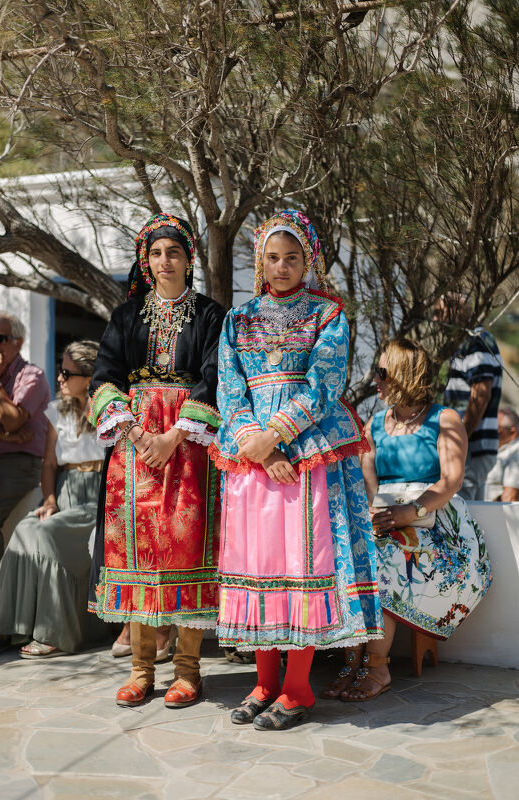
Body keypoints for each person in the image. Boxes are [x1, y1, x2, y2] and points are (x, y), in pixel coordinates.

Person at [210, 209, 383, 731]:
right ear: (260, 260)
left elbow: (324, 383)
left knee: (300, 568)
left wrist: (276, 435)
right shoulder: (237, 321)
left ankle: (298, 687)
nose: (281, 267)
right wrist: (253, 442)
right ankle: (264, 682)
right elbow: (228, 387)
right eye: (272, 257)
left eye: (291, 258)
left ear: (307, 260)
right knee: (259, 570)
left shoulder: (328, 315)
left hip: (306, 455)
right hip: (252, 462)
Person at [88, 212, 225, 708]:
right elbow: (105, 378)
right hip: (134, 451)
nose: (164, 261)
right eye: (155, 253)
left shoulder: (213, 316)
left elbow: (214, 380)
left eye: (174, 252)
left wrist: (172, 436)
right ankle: (142, 670)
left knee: (187, 553)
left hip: (188, 448)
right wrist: (137, 431)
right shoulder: (125, 317)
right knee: (139, 558)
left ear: (189, 259)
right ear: (145, 262)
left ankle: (188, 670)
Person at [334, 339, 492, 702]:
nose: (376, 380)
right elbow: (369, 483)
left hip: (437, 523)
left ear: (404, 373)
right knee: (353, 555)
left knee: (386, 560)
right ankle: (351, 662)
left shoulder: (444, 419)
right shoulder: (374, 424)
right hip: (389, 518)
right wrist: (372, 515)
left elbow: (451, 481)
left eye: (382, 372)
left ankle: (377, 667)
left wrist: (413, 510)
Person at [0, 341, 108, 657]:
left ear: (89, 375)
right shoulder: (59, 410)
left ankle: (53, 632)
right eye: (60, 370)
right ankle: (4, 628)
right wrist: (50, 499)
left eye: (67, 373)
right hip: (64, 494)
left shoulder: (109, 411)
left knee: (46, 536)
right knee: (23, 533)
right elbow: (50, 464)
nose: (60, 378)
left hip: (97, 500)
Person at [0, 311, 50, 654]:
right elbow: (11, 428)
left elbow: (14, 421)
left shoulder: (31, 376)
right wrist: (8, 435)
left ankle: (7, 625)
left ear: (19, 342)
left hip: (20, 471)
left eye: (1, 338)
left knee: (6, 545)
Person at [436, 295, 503, 500]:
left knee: (458, 510)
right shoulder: (471, 341)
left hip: (471, 448)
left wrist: (460, 439)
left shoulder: (475, 341)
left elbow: (481, 393)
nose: (436, 319)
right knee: (473, 516)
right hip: (474, 448)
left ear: (457, 311)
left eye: (439, 312)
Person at [485, 407, 519, 502]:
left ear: (512, 432)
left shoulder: (516, 451)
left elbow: (510, 497)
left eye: (496, 428)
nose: (490, 431)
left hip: (493, 512)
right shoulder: (495, 447)